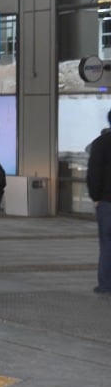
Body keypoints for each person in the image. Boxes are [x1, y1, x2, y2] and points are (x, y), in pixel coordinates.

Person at [84, 109, 111, 295]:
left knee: (107, 243)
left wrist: (96, 197)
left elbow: (93, 173)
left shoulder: (101, 143)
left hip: (107, 202)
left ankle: (106, 284)